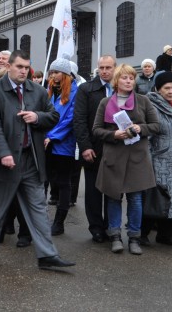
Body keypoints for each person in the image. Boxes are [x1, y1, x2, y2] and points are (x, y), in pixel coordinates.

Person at [0, 50, 74, 270]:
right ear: (10, 66)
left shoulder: (38, 91)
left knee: (38, 207)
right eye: (19, 66)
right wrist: (4, 153)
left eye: (26, 67)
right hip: (3, 162)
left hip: (31, 160)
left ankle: (47, 255)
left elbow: (54, 116)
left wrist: (37, 117)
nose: (23, 71)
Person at [93, 64, 160, 254]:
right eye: (124, 78)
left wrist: (141, 128)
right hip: (113, 156)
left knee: (136, 199)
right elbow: (96, 130)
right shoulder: (105, 103)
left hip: (137, 157)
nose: (129, 81)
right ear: (116, 81)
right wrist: (114, 135)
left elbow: (156, 125)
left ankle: (134, 237)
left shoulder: (143, 101)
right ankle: (114, 236)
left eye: (131, 78)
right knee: (113, 198)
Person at [140, 72, 172, 247]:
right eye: (166, 88)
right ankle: (142, 233)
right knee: (155, 197)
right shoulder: (151, 105)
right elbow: (148, 135)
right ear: (158, 90)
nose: (171, 91)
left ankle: (166, 235)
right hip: (159, 159)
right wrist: (151, 157)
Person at [74, 55, 116, 242]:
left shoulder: (121, 88)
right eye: (102, 67)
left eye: (108, 67)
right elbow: (80, 120)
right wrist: (85, 147)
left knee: (113, 190)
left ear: (115, 68)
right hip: (93, 148)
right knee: (93, 191)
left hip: (116, 148)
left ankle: (111, 226)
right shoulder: (86, 89)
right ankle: (96, 228)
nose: (105, 71)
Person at [42, 58, 79, 236]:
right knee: (44, 181)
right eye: (51, 72)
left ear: (64, 74)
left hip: (64, 145)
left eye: (56, 72)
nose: (53, 76)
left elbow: (70, 120)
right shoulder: (49, 92)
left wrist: (53, 137)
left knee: (64, 183)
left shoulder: (75, 92)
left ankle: (59, 223)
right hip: (46, 143)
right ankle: (39, 219)